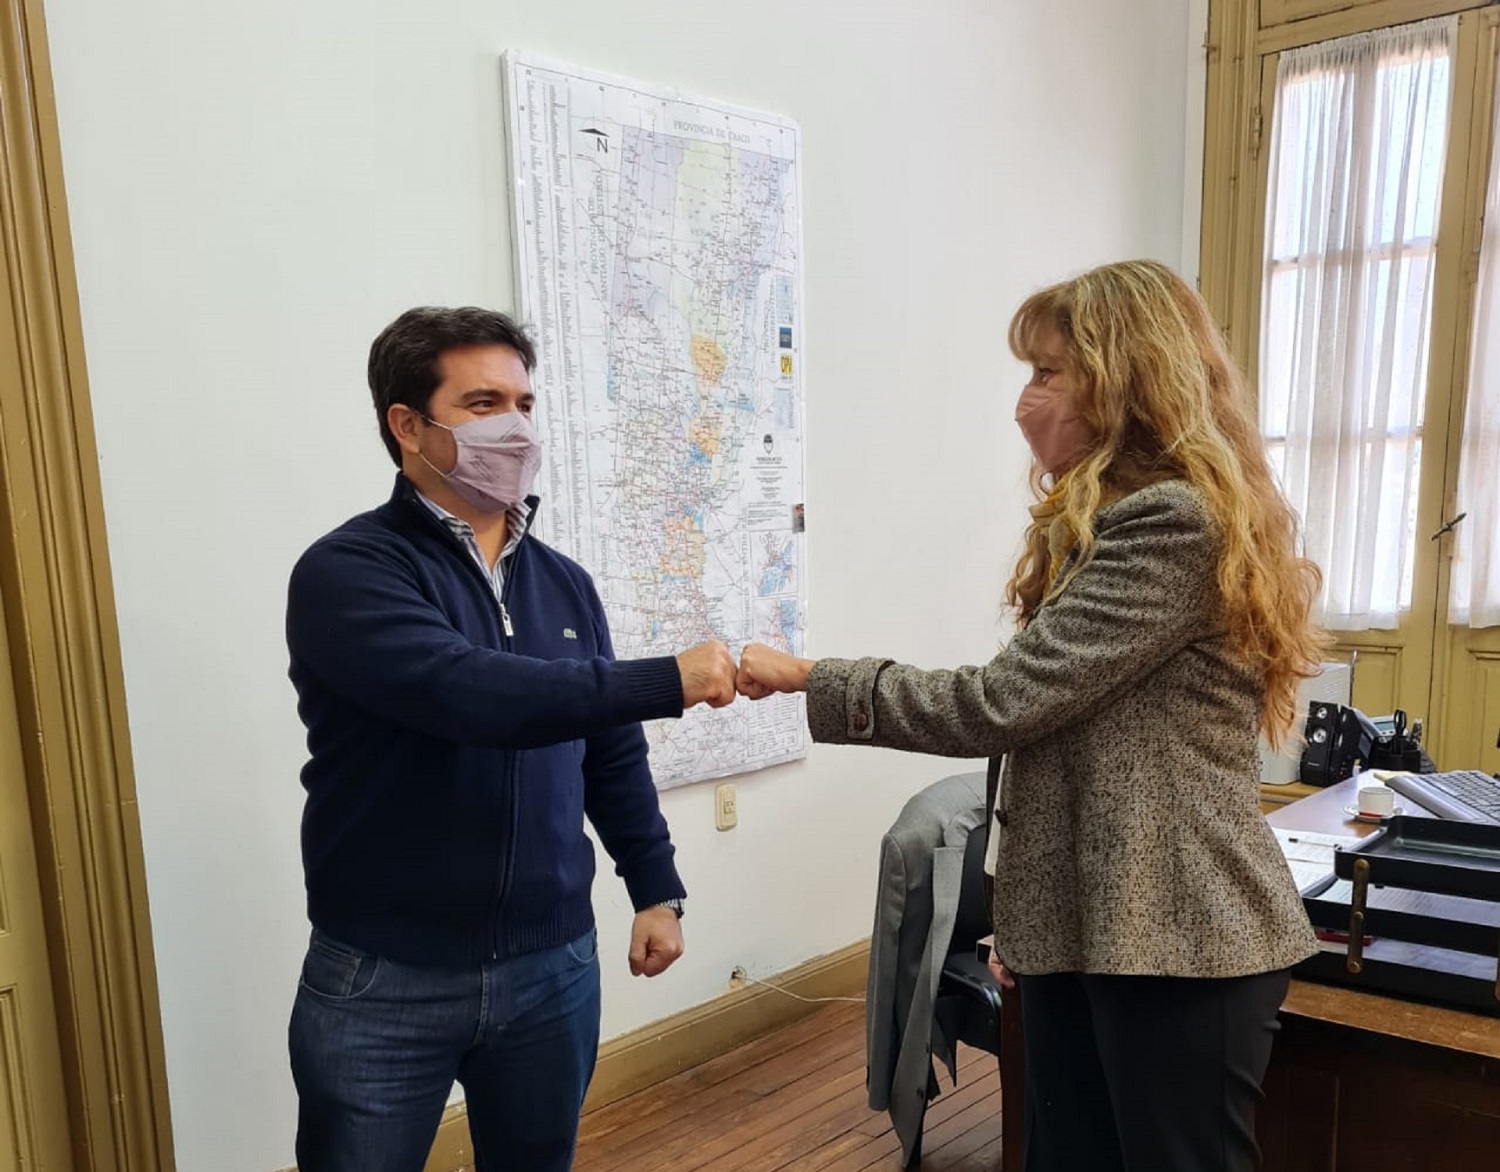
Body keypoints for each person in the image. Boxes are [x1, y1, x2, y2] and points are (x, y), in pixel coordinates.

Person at [737, 260, 1324, 1172]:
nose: (1024, 403)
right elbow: (1057, 749)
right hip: (1098, 927)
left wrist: (814, 679)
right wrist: (1029, 918)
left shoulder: (1173, 523)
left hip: (1181, 937)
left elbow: (1000, 705)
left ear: (1125, 381)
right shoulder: (1110, 522)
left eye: (1048, 372)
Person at [285, 306, 738, 1172]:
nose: (516, 428)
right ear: (407, 425)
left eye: (524, 403)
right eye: (484, 403)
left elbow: (609, 749)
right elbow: (468, 693)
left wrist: (655, 886)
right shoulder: (348, 572)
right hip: (385, 977)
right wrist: (668, 679)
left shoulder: (564, 583)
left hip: (551, 968)